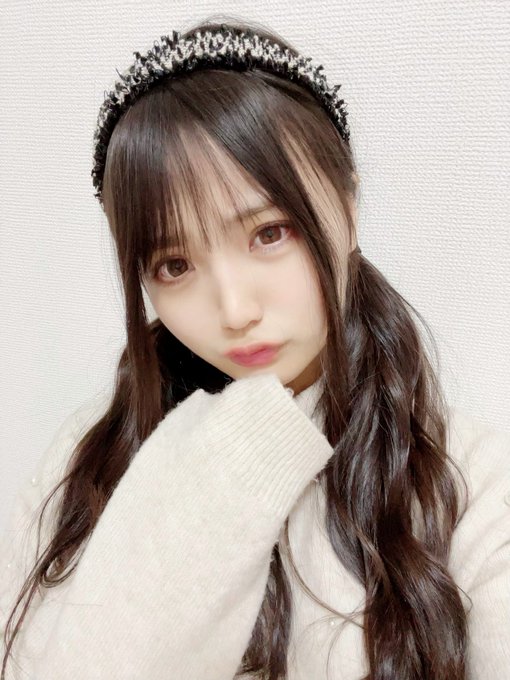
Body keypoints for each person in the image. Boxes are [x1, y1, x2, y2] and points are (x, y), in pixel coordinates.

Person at [1, 15, 509, 680]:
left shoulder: (467, 482)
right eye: (174, 266)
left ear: (348, 207)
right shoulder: (88, 468)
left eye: (270, 233)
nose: (235, 311)